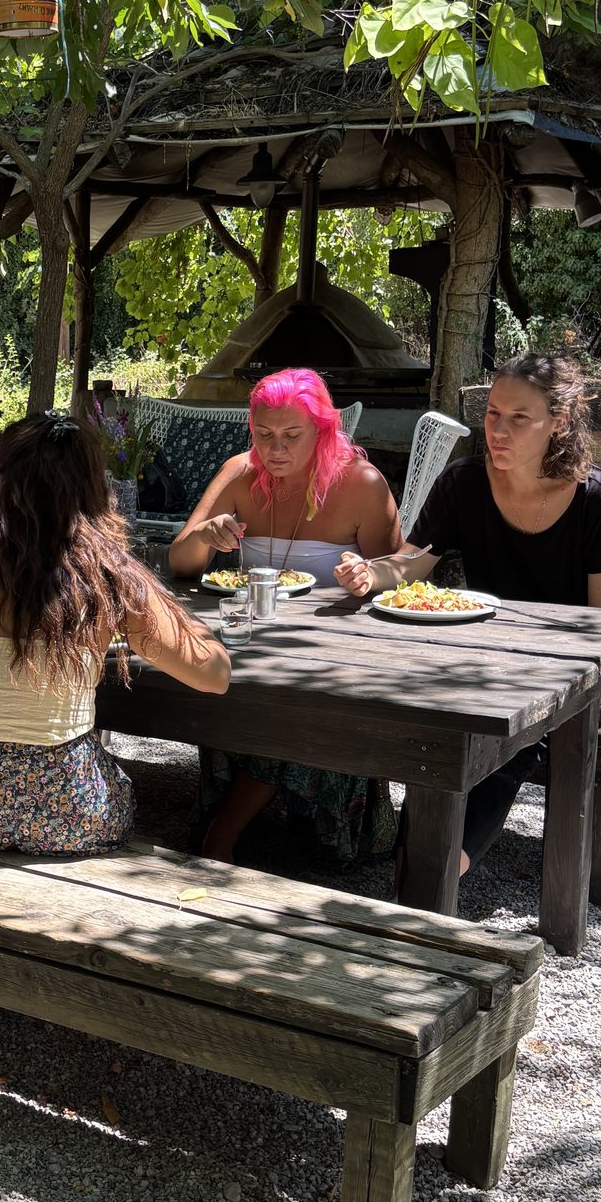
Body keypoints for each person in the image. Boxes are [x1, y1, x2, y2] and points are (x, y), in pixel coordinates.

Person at [337, 351, 601, 876]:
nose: (498, 430)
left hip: (583, 670)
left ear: (558, 422)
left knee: (518, 734)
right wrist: (370, 574)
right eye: (493, 414)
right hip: (484, 659)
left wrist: (543, 670)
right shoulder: (463, 483)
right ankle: (419, 854)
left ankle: (438, 866)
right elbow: (411, 564)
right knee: (421, 715)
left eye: (519, 418)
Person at [0, 412, 230, 854]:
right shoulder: (109, 577)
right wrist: (191, 621)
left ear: (1, 486)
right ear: (92, 491)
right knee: (126, 790)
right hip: (69, 814)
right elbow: (213, 677)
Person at [168, 367, 402, 863]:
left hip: (334, 651)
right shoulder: (240, 473)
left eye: (292, 436)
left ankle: (224, 831)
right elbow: (180, 564)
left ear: (323, 430)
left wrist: (366, 573)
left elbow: (398, 576)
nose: (275, 449)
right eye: (264, 435)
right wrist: (206, 537)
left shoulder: (361, 484)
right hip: (257, 641)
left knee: (300, 707)